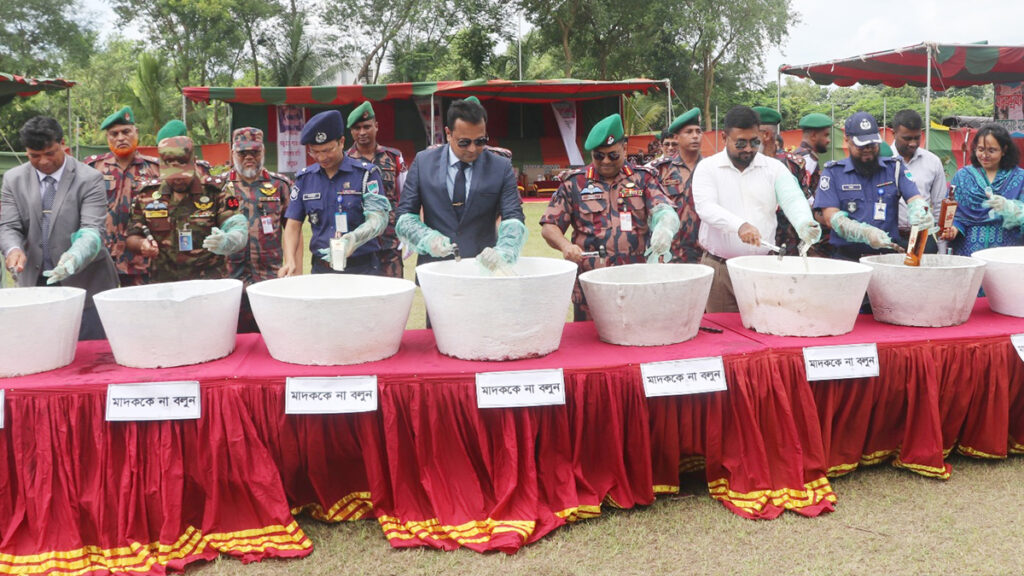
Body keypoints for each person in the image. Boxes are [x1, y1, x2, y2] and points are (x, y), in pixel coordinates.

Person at [541, 113, 680, 321]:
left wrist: (665, 226)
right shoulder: (574, 183)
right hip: (591, 285)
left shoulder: (643, 179)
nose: (605, 161)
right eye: (598, 156)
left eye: (613, 155)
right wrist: (564, 246)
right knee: (591, 347)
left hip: (636, 281)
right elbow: (549, 226)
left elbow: (663, 209)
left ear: (624, 148)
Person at [692, 106, 820, 313]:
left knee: (764, 328)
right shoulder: (708, 168)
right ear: (724, 137)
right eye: (740, 143)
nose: (749, 149)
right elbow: (706, 207)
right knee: (726, 337)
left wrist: (804, 222)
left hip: (763, 267)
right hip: (721, 269)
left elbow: (793, 198)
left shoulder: (774, 168)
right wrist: (739, 226)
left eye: (754, 142)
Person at [0, 116, 118, 340]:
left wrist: (75, 256)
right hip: (36, 286)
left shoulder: (89, 178)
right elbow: (8, 226)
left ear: (63, 144)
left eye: (50, 153)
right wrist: (13, 249)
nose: (43, 162)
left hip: (86, 286)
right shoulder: (13, 180)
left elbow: (92, 229)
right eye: (35, 156)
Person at [396, 97, 526, 275]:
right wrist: (427, 238)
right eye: (464, 142)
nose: (473, 149)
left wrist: (503, 251)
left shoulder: (500, 167)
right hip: (436, 270)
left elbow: (513, 217)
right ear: (448, 134)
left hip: (484, 269)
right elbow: (405, 216)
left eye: (480, 141)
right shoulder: (423, 163)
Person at [125, 136, 249, 283]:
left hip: (208, 282)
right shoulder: (147, 195)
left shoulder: (216, 191)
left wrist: (227, 240)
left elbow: (236, 225)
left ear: (194, 162)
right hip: (165, 283)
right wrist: (142, 245)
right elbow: (133, 235)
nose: (178, 180)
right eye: (172, 174)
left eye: (183, 174)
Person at [280, 110, 389, 276]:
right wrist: (290, 260)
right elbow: (293, 224)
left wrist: (353, 239)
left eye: (327, 150)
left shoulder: (365, 174)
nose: (322, 157)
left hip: (361, 268)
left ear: (341, 142)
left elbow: (378, 219)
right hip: (322, 268)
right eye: (315, 151)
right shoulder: (305, 179)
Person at [813, 111, 934, 261]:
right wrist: (864, 233)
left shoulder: (895, 168)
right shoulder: (833, 173)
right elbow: (831, 217)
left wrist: (919, 210)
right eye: (862, 146)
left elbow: (914, 198)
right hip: (848, 258)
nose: (868, 150)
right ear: (847, 140)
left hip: (886, 256)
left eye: (872, 144)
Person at [221, 127, 295, 332]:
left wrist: (294, 267)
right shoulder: (220, 186)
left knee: (273, 334)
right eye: (242, 153)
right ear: (232, 153)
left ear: (263, 151)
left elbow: (292, 228)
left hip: (270, 277)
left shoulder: (280, 185)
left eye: (254, 152)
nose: (249, 157)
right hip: (231, 279)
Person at [84, 106, 160, 286]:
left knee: (140, 310)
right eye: (114, 134)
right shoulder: (93, 168)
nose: (120, 138)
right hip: (102, 257)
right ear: (107, 137)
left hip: (142, 260)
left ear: (136, 132)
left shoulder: (155, 169)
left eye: (126, 132)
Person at [754, 106, 828, 257]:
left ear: (765, 135)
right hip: (759, 245)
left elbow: (806, 201)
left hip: (786, 247)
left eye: (750, 134)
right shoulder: (744, 165)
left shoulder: (794, 164)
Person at [939, 123, 1024, 255]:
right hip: (969, 249)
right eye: (980, 149)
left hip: (1006, 249)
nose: (984, 155)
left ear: (1004, 150)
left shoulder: (1020, 177)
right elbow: (955, 214)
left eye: (991, 150)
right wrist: (953, 230)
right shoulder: (963, 176)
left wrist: (1010, 209)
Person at [346, 101, 407, 279]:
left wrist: (404, 234)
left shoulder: (393, 158)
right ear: (351, 131)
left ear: (376, 126)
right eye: (357, 128)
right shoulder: (344, 161)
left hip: (389, 243)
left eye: (367, 126)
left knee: (394, 296)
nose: (362, 132)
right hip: (358, 245)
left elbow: (405, 197)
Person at [647, 107, 703, 262]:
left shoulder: (710, 169)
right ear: (677, 137)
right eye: (689, 132)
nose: (695, 136)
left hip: (703, 253)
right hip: (668, 252)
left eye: (698, 131)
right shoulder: (661, 170)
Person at [891, 109, 946, 253]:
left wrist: (940, 247)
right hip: (892, 238)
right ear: (893, 133)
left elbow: (939, 205)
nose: (913, 143)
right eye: (907, 138)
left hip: (924, 238)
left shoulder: (933, 162)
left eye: (917, 137)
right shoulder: (883, 161)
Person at [795, 112, 833, 193]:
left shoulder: (803, 155)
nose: (828, 140)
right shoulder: (807, 159)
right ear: (813, 136)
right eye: (826, 135)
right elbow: (804, 193)